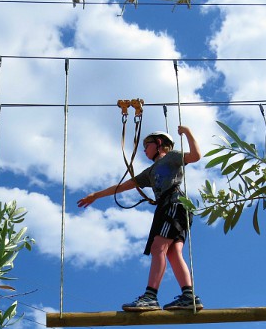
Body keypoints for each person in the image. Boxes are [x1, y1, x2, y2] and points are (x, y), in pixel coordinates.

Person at [77, 125, 203, 311]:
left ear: (159, 144)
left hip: (174, 203)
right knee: (172, 252)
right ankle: (188, 296)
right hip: (173, 207)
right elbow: (123, 186)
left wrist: (188, 132)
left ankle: (150, 296)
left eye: (147, 145)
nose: (144, 149)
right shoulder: (150, 172)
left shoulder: (172, 157)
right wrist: (96, 195)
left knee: (158, 247)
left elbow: (195, 156)